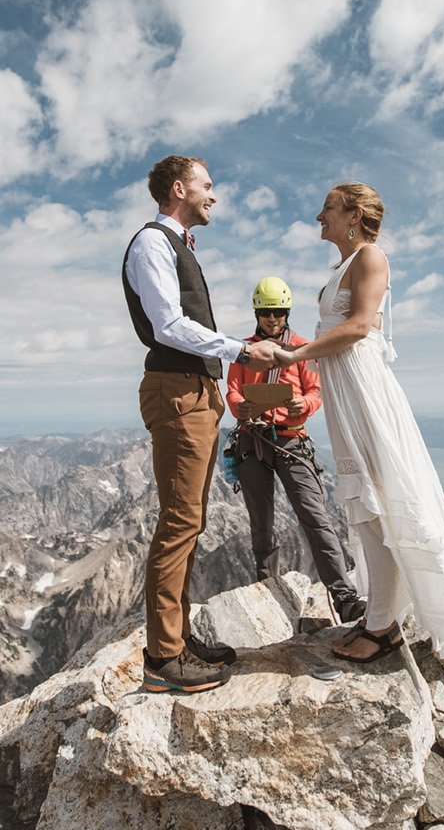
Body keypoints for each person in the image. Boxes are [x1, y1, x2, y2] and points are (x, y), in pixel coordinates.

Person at [273, 184, 444, 663]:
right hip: (345, 389)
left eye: (328, 207)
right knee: (366, 501)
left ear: (354, 215)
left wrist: (294, 353)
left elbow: (361, 325)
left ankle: (383, 627)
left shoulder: (371, 257)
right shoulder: (344, 265)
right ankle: (379, 615)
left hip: (362, 389)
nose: (318, 214)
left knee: (378, 496)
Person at [122, 155, 283, 694]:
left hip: (194, 392)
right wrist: (240, 350)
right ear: (178, 188)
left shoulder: (178, 246)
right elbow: (168, 325)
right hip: (177, 392)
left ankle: (179, 639)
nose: (213, 195)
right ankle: (164, 656)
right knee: (179, 522)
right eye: (206, 185)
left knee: (190, 521)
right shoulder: (152, 243)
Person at [226, 276, 366, 624]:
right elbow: (231, 390)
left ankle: (345, 597)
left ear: (287, 312)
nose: (273, 319)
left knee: (315, 517)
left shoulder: (303, 348)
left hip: (290, 438)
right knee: (262, 525)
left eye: (279, 312)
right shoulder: (243, 351)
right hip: (253, 439)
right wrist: (240, 407)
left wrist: (301, 405)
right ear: (257, 312)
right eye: (266, 312)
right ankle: (267, 590)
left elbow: (315, 392)